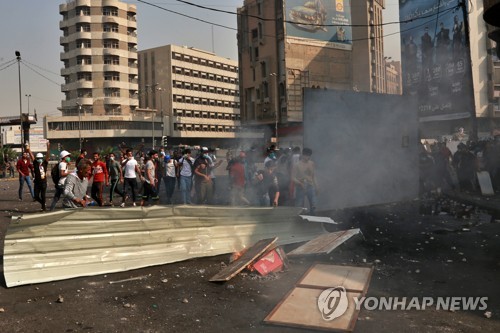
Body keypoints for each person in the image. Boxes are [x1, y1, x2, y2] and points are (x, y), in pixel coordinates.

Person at [292, 148, 317, 215]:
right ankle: (297, 220)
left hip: (310, 186)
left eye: (309, 156)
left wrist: (316, 186)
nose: (308, 157)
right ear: (303, 155)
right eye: (307, 155)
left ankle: (313, 220)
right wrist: (300, 183)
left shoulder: (312, 163)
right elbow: (293, 178)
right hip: (300, 186)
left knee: (313, 205)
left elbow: (313, 176)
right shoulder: (297, 165)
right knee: (299, 206)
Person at [27, 141, 50, 211]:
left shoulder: (45, 163)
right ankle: (43, 204)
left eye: (40, 158)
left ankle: (43, 207)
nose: (39, 159)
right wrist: (28, 150)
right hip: (37, 183)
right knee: (36, 196)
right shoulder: (35, 163)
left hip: (43, 182)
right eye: (38, 158)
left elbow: (47, 156)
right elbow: (31, 156)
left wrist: (48, 148)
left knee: (43, 195)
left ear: (42, 158)